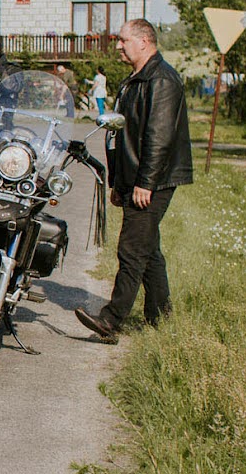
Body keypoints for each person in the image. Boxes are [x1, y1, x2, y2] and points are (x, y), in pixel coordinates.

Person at [75, 18, 194, 340]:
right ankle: (160, 318)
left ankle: (111, 321)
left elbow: (159, 138)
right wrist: (118, 183)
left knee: (131, 249)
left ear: (143, 41)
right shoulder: (135, 80)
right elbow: (121, 135)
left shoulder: (163, 80)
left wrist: (146, 183)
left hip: (154, 180)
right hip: (135, 178)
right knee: (147, 249)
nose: (118, 46)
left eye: (123, 40)